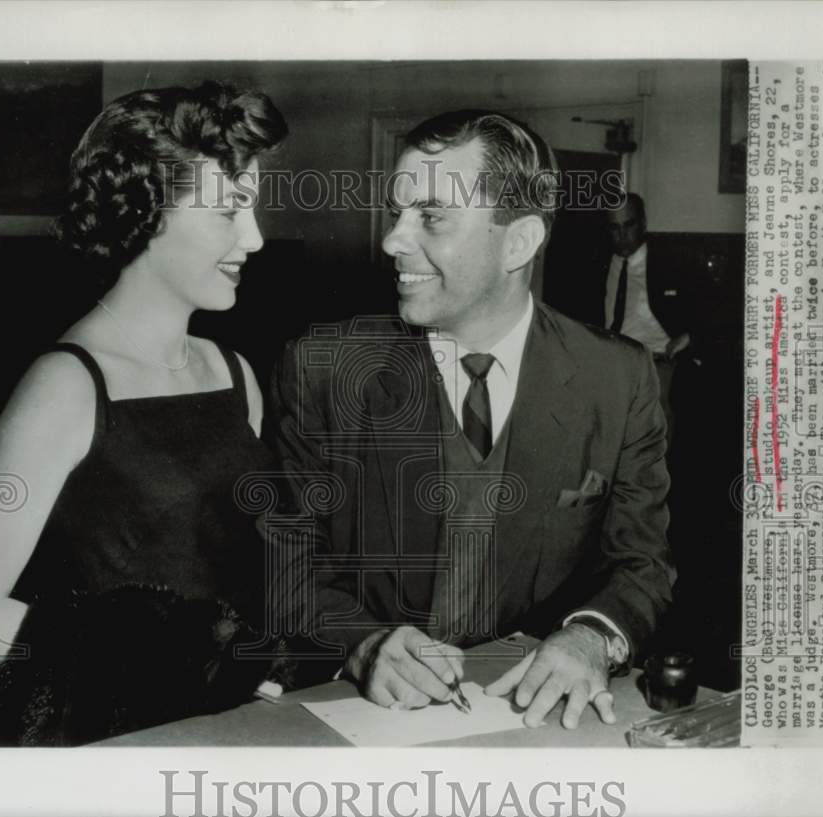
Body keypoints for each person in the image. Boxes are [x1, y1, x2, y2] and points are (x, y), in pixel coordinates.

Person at [266, 110, 674, 730]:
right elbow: (286, 566)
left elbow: (642, 563)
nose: (393, 240)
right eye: (397, 213)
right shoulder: (321, 370)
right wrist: (363, 643)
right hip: (356, 716)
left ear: (518, 242)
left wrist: (592, 637)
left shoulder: (617, 379)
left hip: (531, 723)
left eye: (430, 217)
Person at [0, 82, 289, 745]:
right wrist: (173, 656)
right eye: (229, 211)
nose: (255, 238)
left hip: (227, 733)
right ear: (149, 211)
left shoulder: (235, 374)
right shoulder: (63, 386)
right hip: (104, 739)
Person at [604, 193, 692, 439]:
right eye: (614, 228)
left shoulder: (670, 261)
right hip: (610, 359)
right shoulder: (598, 264)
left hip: (655, 358)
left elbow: (711, 304)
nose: (622, 236)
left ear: (643, 223)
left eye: (628, 225)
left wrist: (689, 336)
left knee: (654, 417)